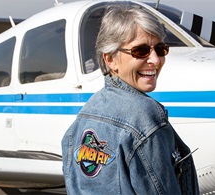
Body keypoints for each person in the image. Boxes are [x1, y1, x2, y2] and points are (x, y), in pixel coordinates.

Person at [62, 3, 199, 194]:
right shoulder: (145, 117)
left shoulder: (83, 118)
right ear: (110, 59)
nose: (156, 60)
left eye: (160, 49)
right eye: (140, 51)